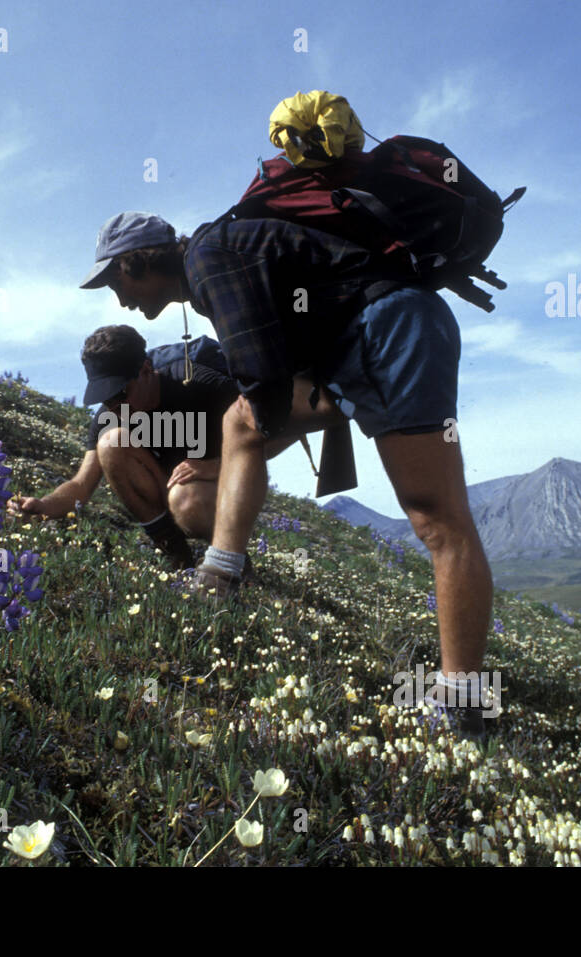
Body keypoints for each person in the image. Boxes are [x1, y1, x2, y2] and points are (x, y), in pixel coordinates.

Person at [79, 210, 493, 740]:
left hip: (392, 329)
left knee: (437, 520)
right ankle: (220, 574)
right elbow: (263, 393)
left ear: (141, 261)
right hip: (371, 335)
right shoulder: (213, 260)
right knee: (241, 423)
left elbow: (264, 382)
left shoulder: (208, 262)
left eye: (119, 280)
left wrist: (216, 460)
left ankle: (462, 704)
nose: (121, 300)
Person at [7, 324, 300, 570]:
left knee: (186, 499)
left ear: (146, 370)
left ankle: (229, 556)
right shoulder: (112, 415)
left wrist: (215, 466)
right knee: (111, 443)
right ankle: (174, 551)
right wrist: (43, 505)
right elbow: (81, 485)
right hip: (166, 490)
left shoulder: (199, 382)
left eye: (122, 393)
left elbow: (281, 431)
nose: (116, 407)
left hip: (208, 492)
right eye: (106, 398)